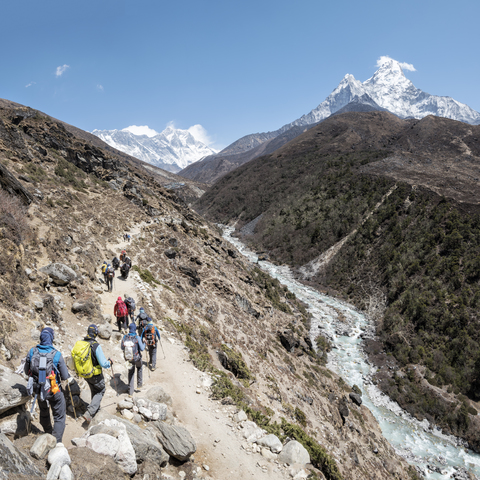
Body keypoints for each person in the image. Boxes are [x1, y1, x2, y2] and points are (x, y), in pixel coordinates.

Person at [24, 327, 72, 443]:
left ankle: (48, 433)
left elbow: (26, 371)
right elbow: (65, 376)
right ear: (52, 338)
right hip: (53, 389)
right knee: (59, 416)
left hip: (38, 389)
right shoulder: (56, 354)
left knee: (44, 411)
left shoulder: (32, 351)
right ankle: (56, 441)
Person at [78, 325, 113, 425]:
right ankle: (89, 413)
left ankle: (95, 411)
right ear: (96, 334)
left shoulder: (82, 343)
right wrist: (109, 362)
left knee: (94, 390)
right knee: (101, 390)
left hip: (85, 374)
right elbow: (103, 363)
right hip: (95, 374)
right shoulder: (95, 345)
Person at [121, 323, 145, 395]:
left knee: (131, 373)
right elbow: (142, 348)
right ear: (135, 329)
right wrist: (144, 343)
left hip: (129, 358)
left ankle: (130, 392)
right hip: (136, 357)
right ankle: (139, 385)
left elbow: (122, 347)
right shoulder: (137, 337)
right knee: (139, 367)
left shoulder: (125, 337)